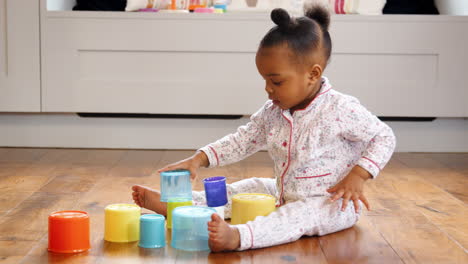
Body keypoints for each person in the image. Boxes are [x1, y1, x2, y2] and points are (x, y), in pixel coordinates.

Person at [132, 4, 396, 252]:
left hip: (331, 203)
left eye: (277, 81)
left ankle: (239, 236)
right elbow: (242, 140)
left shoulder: (340, 108)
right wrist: (198, 159)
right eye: (265, 80)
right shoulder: (274, 112)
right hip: (285, 191)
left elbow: (384, 136)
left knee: (296, 216)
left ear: (313, 74)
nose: (268, 89)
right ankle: (182, 206)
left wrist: (359, 176)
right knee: (250, 186)